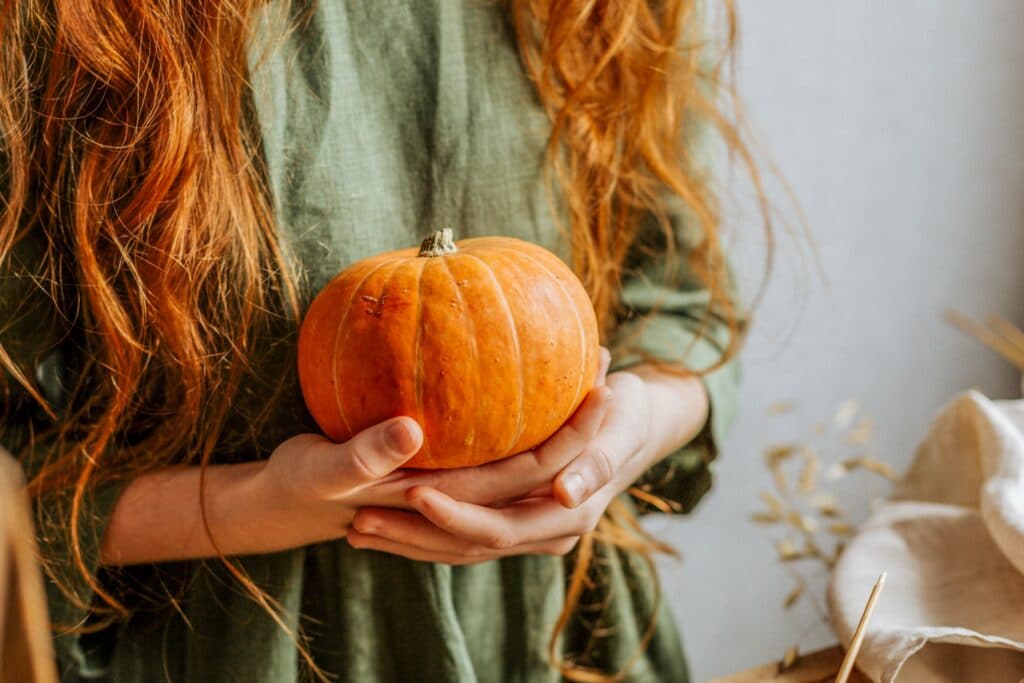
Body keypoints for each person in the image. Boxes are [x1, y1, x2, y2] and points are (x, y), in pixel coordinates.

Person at [0, 1, 756, 680]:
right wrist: (246, 504)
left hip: (552, 644)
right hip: (219, 643)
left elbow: (681, 311)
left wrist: (613, 445)